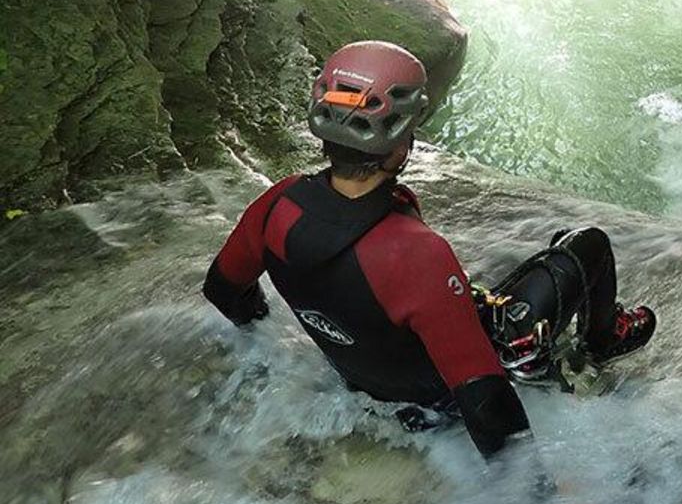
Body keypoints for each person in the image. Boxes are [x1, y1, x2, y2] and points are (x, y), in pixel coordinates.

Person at [201, 40, 655, 465]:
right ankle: (604, 337)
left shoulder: (276, 205)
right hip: (441, 408)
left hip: (373, 391)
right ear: (399, 142)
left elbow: (224, 289)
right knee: (584, 244)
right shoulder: (413, 254)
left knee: (531, 261)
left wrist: (274, 337)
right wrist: (537, 503)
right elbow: (486, 401)